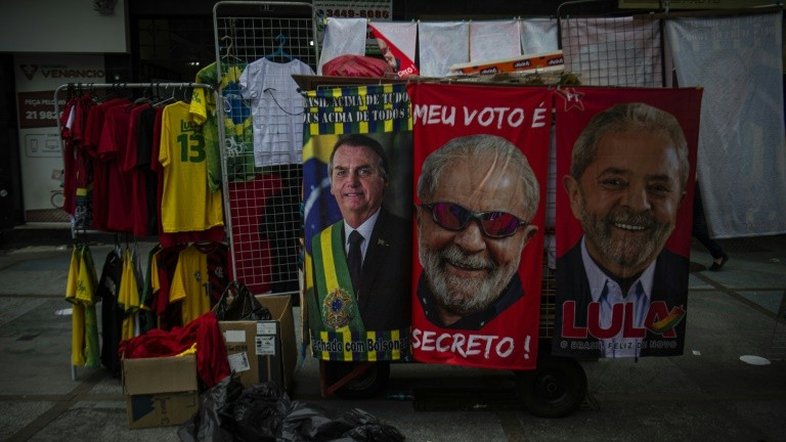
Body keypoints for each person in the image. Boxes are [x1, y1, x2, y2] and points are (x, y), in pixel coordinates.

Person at [556, 102, 690, 358]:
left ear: (679, 204)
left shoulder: (677, 281)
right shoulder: (551, 282)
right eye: (614, 182)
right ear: (575, 196)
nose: (638, 205)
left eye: (659, 188)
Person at [416, 134, 540, 329]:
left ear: (525, 240)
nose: (470, 243)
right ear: (420, 221)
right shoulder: (393, 305)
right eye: (450, 213)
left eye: (499, 222)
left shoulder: (524, 322)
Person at [310, 134, 411, 331]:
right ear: (331, 185)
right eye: (341, 172)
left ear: (384, 180)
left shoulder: (408, 237)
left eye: (363, 171)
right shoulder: (319, 244)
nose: (351, 181)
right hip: (337, 356)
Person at [692, 182, 729, 271]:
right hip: (681, 186)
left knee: (696, 227)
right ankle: (718, 253)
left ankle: (718, 253)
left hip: (690, 187)